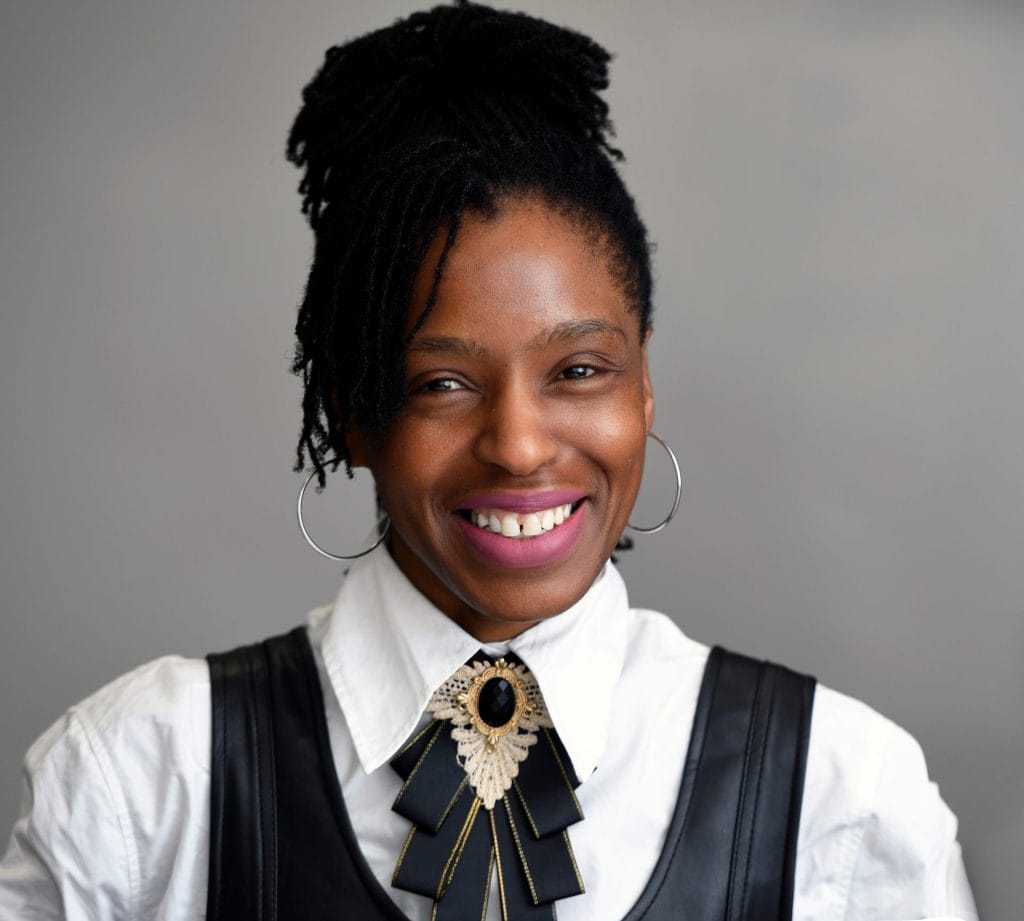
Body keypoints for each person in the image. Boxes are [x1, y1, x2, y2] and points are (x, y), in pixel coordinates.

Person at [0, 3, 978, 920]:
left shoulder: (840, 794)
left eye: (578, 370)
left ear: (642, 392)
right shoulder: (145, 779)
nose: (516, 445)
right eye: (442, 383)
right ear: (353, 414)